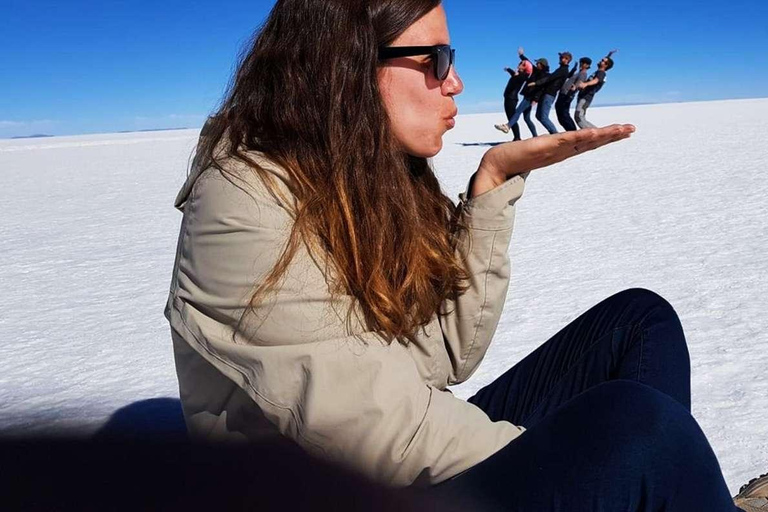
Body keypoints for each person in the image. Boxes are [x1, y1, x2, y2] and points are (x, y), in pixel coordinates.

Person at [165, 1, 764, 510]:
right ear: (344, 65)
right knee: (638, 429)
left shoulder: (355, 183)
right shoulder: (243, 201)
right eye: (436, 60)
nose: (455, 83)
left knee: (639, 321)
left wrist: (491, 188)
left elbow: (442, 357)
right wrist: (553, 456)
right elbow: (371, 429)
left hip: (395, 447)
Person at [495, 47, 547, 138]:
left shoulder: (541, 75)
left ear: (542, 65)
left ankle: (509, 128)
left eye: (538, 63)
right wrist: (521, 56)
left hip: (528, 97)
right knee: (526, 118)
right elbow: (528, 63)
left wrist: (536, 99)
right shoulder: (533, 71)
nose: (536, 63)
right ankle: (535, 136)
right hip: (526, 95)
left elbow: (541, 88)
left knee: (516, 113)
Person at [525, 51, 573, 134]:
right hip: (546, 94)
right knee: (538, 116)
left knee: (543, 117)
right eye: (561, 57)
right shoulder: (561, 69)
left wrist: (536, 83)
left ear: (568, 60)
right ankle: (553, 134)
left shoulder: (563, 70)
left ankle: (555, 135)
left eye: (564, 58)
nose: (562, 59)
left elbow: (550, 78)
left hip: (549, 95)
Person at [494, 57, 533, 140]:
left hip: (511, 98)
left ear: (525, 68)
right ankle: (516, 136)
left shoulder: (523, 76)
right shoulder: (519, 74)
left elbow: (516, 79)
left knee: (512, 118)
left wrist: (513, 72)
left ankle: (517, 137)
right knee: (510, 117)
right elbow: (514, 75)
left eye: (522, 64)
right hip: (509, 97)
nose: (519, 64)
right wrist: (509, 70)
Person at [575, 50, 616, 129]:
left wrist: (585, 84)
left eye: (603, 61)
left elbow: (596, 80)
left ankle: (596, 133)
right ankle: (597, 132)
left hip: (586, 97)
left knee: (578, 117)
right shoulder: (599, 71)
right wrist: (609, 54)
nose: (600, 61)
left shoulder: (601, 73)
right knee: (581, 117)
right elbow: (607, 60)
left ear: (606, 65)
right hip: (583, 95)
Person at [555, 56, 591, 131]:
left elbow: (580, 82)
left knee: (564, 113)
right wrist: (574, 68)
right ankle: (569, 130)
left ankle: (572, 130)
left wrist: (575, 87)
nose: (581, 64)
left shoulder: (583, 74)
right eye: (581, 62)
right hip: (564, 94)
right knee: (561, 112)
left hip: (567, 95)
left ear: (587, 65)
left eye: (584, 63)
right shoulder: (579, 72)